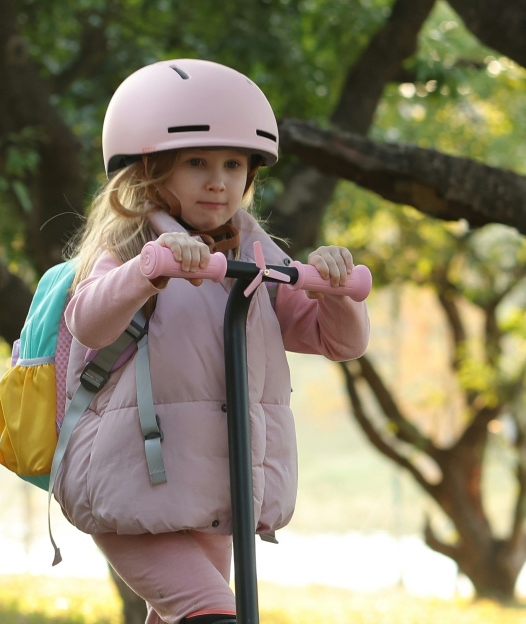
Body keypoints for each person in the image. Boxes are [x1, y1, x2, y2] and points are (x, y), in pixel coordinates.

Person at [53, 59, 370, 624]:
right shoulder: (128, 248)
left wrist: (335, 291)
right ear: (151, 171)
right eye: (195, 163)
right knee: (212, 615)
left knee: (189, 616)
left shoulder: (257, 255)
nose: (218, 180)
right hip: (131, 486)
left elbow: (337, 342)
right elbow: (89, 323)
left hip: (209, 492)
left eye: (233, 164)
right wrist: (152, 269)